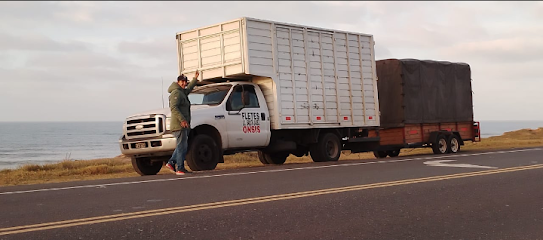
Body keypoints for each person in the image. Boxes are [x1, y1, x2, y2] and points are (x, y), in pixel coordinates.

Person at [165, 71, 199, 175]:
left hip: (183, 125)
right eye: (182, 82)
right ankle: (180, 168)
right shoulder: (176, 92)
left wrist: (195, 79)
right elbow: (173, 107)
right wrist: (182, 120)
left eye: (185, 82)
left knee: (182, 146)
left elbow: (188, 89)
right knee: (182, 146)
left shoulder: (182, 92)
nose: (184, 84)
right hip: (179, 125)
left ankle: (171, 162)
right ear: (178, 82)